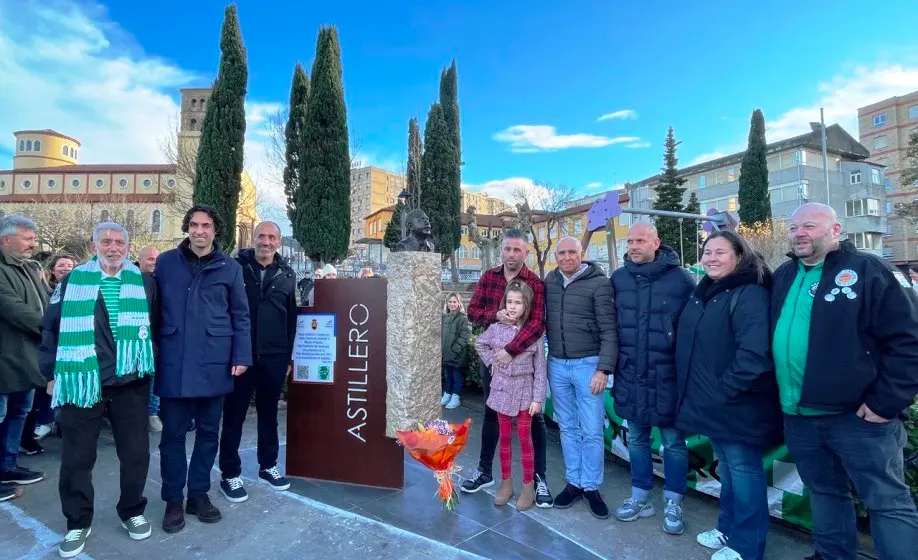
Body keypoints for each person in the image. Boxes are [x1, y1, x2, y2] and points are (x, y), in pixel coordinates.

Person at [771, 203, 918, 560]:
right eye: (793, 227)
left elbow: (909, 340)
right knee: (825, 493)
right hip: (800, 416)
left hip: (859, 418)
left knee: (887, 500)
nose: (799, 233)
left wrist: (886, 402)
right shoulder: (785, 274)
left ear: (836, 231)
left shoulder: (869, 269)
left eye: (809, 226)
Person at [39, 222, 158, 558]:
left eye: (120, 242)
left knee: (135, 454)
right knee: (78, 457)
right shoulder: (72, 281)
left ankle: (132, 511)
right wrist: (49, 373)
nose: (113, 248)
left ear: (128, 246)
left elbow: (157, 329)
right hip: (83, 381)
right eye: (106, 242)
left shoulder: (145, 282)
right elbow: (50, 329)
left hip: (131, 384)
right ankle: (78, 521)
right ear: (94, 246)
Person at [674, 231, 782, 560]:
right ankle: (728, 528)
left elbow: (754, 354)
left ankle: (748, 546)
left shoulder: (748, 293)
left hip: (738, 404)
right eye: (707, 252)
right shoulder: (706, 292)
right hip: (711, 403)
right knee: (730, 469)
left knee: (744, 471)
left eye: (720, 252)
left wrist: (723, 392)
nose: (711, 258)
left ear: (739, 255)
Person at [153, 205, 251, 533]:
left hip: (215, 362)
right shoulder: (166, 263)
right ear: (187, 228)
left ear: (215, 230)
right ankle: (172, 500)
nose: (199, 231)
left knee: (209, 434)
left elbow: (240, 315)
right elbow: (152, 311)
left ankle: (198, 494)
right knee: (172, 436)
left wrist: (241, 355)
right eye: (194, 225)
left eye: (206, 225)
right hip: (174, 362)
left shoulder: (230, 268)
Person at [610, 222, 694, 534]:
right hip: (631, 374)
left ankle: (674, 500)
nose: (633, 246)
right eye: (630, 241)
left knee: (673, 442)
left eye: (640, 240)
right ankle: (640, 496)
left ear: (656, 242)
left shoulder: (682, 280)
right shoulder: (618, 279)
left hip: (667, 378)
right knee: (636, 438)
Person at [461, 229, 553, 508]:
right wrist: (495, 316)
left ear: (526, 253)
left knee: (532, 423)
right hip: (496, 367)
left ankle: (538, 478)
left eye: (517, 250)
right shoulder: (489, 277)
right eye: (508, 249)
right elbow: (473, 313)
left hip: (523, 364)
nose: (512, 254)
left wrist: (509, 353)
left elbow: (536, 325)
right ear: (501, 250)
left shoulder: (534, 283)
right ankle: (486, 472)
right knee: (492, 414)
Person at [219, 221, 296, 502]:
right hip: (241, 356)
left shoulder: (287, 274)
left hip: (274, 357)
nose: (266, 241)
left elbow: (291, 320)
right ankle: (229, 473)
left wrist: (288, 357)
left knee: (269, 415)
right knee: (234, 416)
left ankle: (268, 465)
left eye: (271, 237)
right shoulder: (235, 267)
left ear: (279, 242)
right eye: (261, 236)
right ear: (253, 239)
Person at [543, 237, 617, 519]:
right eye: (561, 252)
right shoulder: (550, 282)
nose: (566, 257)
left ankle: (591, 486)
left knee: (591, 430)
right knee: (567, 427)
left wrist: (603, 369)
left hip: (589, 365)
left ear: (581, 254)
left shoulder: (599, 283)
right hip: (558, 364)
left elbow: (610, 330)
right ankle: (574, 482)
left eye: (571, 252)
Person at [474, 280, 547, 510]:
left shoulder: (532, 332)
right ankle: (506, 483)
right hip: (502, 390)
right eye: (510, 302)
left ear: (527, 306)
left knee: (525, 439)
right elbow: (480, 344)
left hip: (525, 391)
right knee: (504, 438)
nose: (513, 307)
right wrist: (492, 363)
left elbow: (540, 370)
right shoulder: (496, 328)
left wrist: (538, 398)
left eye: (519, 302)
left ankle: (528, 486)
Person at [0, 215, 48, 503]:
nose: (33, 244)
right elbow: (13, 309)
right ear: (7, 239)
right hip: (5, 358)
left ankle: (7, 466)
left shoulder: (29, 268)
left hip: (27, 357)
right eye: (27, 238)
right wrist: (51, 329)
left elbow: (48, 298)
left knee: (20, 412)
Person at [20, 253, 77, 455]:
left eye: (70, 265)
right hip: (42, 347)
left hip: (66, 349)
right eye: (61, 265)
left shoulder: (75, 288)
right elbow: (47, 321)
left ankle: (54, 424)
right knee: (41, 392)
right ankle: (42, 425)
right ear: (52, 269)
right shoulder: (46, 289)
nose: (66, 269)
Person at [136, 246, 162, 433]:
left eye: (156, 259)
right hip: (137, 337)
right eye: (150, 259)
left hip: (157, 337)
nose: (153, 262)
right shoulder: (131, 281)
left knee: (154, 376)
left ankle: (152, 412)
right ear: (141, 260)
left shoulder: (161, 280)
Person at [441, 292, 470, 410]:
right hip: (447, 354)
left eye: (454, 302)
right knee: (448, 376)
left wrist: (454, 350)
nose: (452, 304)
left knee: (456, 376)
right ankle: (447, 393)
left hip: (457, 355)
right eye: (450, 302)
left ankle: (455, 396)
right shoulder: (445, 318)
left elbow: (465, 336)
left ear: (459, 303)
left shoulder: (463, 318)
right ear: (447, 304)